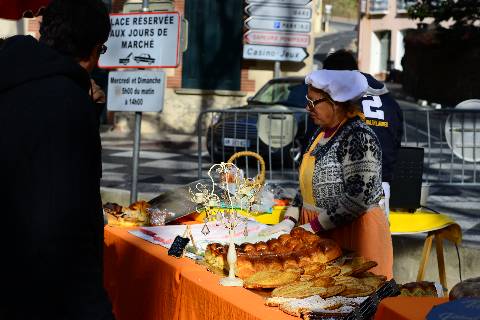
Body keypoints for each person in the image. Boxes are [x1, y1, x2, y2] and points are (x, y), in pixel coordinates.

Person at [0, 0, 114, 319]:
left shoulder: (13, 79)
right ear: (93, 49)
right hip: (40, 288)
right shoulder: (66, 101)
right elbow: (67, 215)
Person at [261, 70, 393, 279]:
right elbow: (306, 186)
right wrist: (289, 220)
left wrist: (312, 226)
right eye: (308, 101)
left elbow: (358, 198)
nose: (308, 108)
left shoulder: (358, 137)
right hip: (320, 235)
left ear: (337, 103)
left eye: (313, 102)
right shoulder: (320, 133)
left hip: (354, 235)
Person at [322, 49, 404, 217]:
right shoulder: (390, 101)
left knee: (332, 243)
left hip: (341, 190)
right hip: (380, 188)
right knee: (373, 242)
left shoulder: (338, 100)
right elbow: (395, 145)